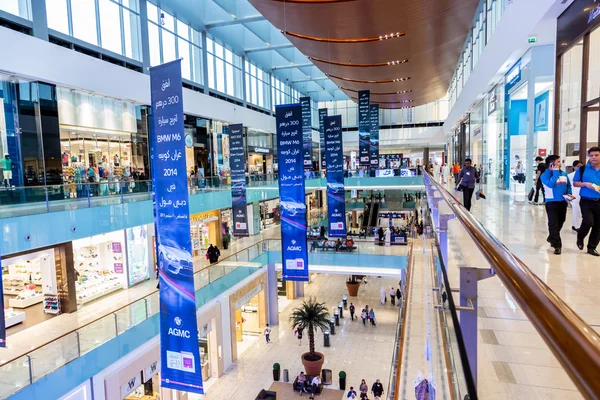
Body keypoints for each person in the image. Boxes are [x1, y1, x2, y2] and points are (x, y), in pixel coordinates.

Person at [541, 155, 572, 255]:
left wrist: (569, 193)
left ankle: (551, 237)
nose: (559, 164)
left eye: (559, 161)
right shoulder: (545, 175)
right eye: (557, 162)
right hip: (551, 203)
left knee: (561, 222)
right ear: (550, 164)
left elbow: (568, 185)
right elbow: (550, 184)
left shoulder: (563, 174)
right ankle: (557, 245)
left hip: (563, 202)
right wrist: (555, 172)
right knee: (553, 224)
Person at [573, 147, 600, 257]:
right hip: (586, 200)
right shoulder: (583, 169)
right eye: (591, 155)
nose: (594, 157)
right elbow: (575, 183)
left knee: (598, 226)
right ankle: (580, 236)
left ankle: (592, 247)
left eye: (596, 155)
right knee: (588, 222)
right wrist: (585, 184)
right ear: (589, 156)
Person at [568, 160, 584, 232]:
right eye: (578, 166)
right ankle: (577, 226)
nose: (579, 168)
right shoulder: (570, 175)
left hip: (583, 195)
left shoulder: (584, 175)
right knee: (576, 211)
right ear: (574, 167)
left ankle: (574, 225)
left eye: (581, 166)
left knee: (579, 211)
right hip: (574, 195)